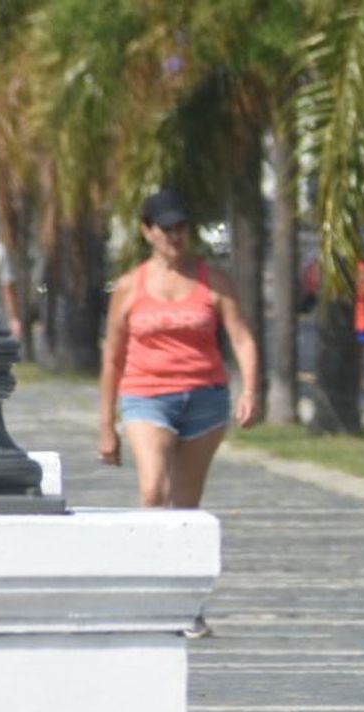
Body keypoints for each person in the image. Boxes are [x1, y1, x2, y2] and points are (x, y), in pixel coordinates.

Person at [98, 188, 261, 634]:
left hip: (204, 398)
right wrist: (106, 426)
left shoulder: (213, 281)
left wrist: (251, 388)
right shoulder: (131, 286)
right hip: (146, 395)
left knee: (186, 507)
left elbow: (241, 336)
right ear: (147, 232)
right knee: (153, 491)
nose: (175, 236)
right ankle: (153, 593)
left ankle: (186, 606)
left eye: (181, 228)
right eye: (166, 228)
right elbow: (113, 355)